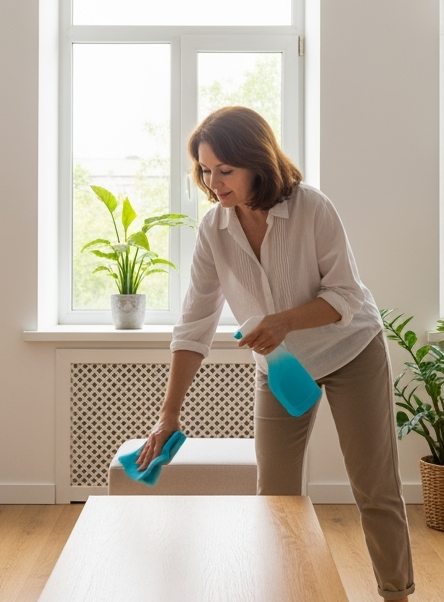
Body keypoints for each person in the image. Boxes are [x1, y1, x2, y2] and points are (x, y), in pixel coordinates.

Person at [135, 106, 414, 601]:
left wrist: (282, 320)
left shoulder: (312, 208)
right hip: (281, 365)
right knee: (276, 494)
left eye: (226, 170)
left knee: (374, 487)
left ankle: (396, 594)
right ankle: (286, 592)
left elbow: (346, 296)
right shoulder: (214, 230)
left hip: (351, 350)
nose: (213, 183)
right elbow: (194, 325)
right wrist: (168, 415)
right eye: (205, 170)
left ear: (257, 163)